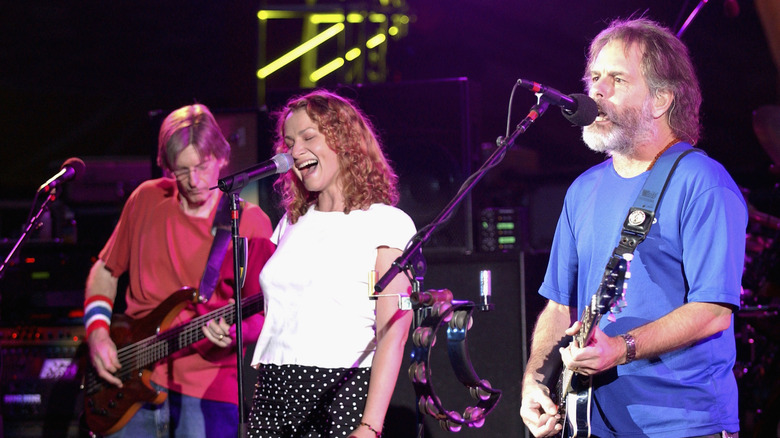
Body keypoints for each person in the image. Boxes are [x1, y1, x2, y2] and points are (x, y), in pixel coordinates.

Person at [519, 17, 746, 438]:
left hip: (682, 423)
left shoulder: (703, 183)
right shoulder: (583, 189)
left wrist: (620, 349)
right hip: (591, 422)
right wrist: (535, 380)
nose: (596, 92)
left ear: (661, 100)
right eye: (595, 78)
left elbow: (713, 312)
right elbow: (559, 305)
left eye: (617, 79)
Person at [84, 103, 274, 437]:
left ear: (222, 158)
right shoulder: (146, 199)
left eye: (202, 166)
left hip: (209, 390)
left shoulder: (250, 221)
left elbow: (270, 311)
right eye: (181, 170)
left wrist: (237, 332)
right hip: (128, 381)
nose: (194, 180)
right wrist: (98, 333)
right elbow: (105, 270)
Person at [247, 90, 416, 438]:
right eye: (290, 142)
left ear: (345, 142)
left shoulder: (385, 222)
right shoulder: (291, 223)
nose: (294, 152)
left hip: (338, 387)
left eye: (309, 137)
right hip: (272, 390)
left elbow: (393, 331)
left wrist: (370, 425)